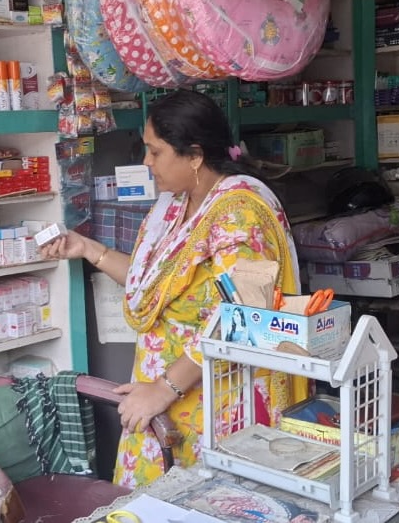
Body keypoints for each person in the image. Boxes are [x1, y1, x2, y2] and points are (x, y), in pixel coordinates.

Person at [41, 89, 304, 488]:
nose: (146, 163)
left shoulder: (239, 217)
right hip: (164, 394)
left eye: (155, 151)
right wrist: (88, 250)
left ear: (195, 155)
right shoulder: (178, 206)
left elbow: (246, 318)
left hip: (217, 400)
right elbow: (155, 284)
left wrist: (165, 389)